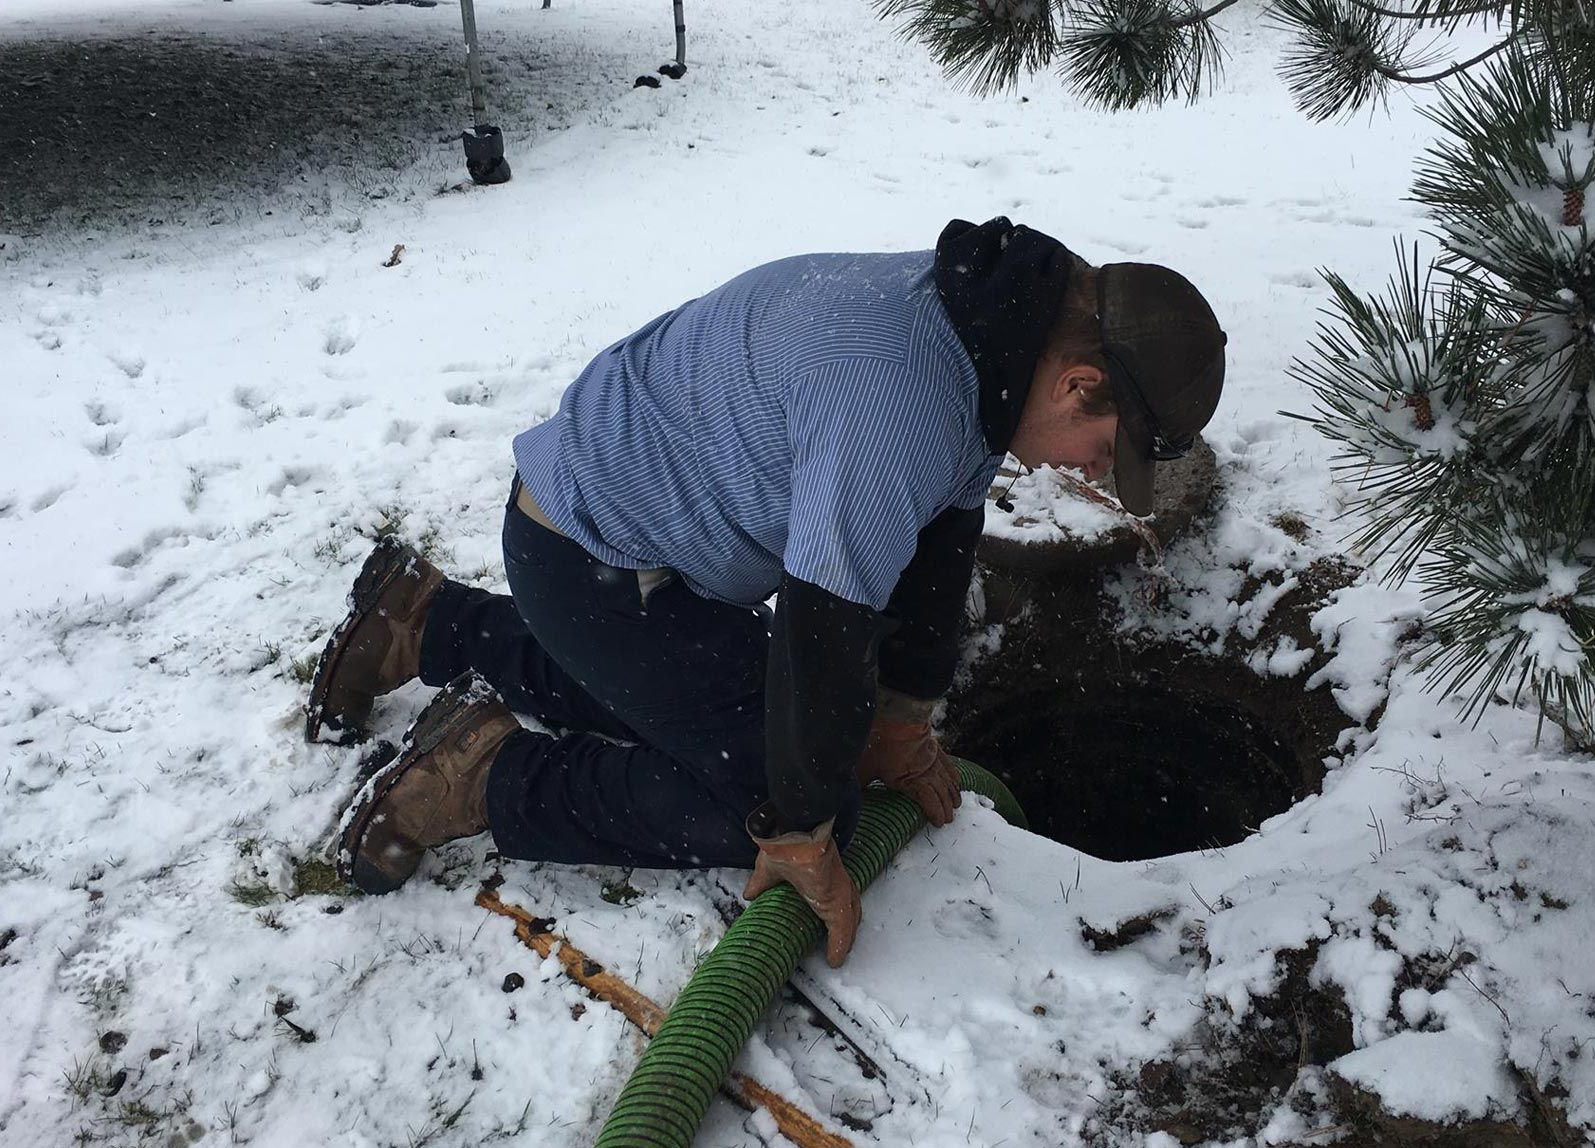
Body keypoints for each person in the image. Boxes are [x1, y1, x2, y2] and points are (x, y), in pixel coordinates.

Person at [307, 216, 1226, 966]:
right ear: (1079, 384)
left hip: (622, 535)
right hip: (593, 555)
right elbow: (820, 634)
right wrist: (796, 826)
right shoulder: (898, 402)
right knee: (766, 797)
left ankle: (426, 623)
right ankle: (481, 778)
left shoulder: (993, 334)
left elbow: (944, 538)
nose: (1095, 474)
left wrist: (901, 717)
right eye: (1105, 453)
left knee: (759, 726)